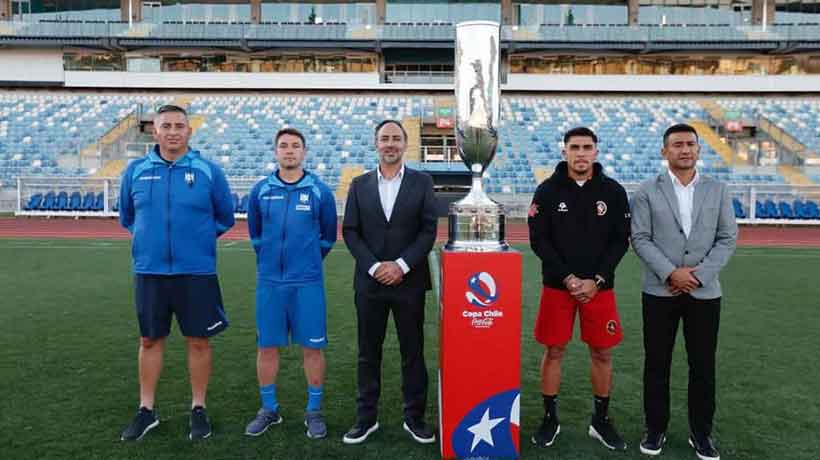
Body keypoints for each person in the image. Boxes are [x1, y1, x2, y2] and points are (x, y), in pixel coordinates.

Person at [118, 104, 235, 441]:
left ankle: (198, 408)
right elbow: (129, 217)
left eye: (179, 126)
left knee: (198, 341)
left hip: (196, 271)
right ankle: (146, 410)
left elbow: (224, 216)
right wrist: (151, 243)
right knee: (149, 339)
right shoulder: (136, 171)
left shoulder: (208, 171)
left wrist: (194, 241)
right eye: (166, 125)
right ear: (155, 130)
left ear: (189, 131)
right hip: (150, 271)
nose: (172, 131)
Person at [631, 123, 737, 460]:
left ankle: (701, 434)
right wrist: (670, 273)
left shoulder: (718, 190)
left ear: (699, 149)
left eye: (690, 144)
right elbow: (641, 238)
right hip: (660, 292)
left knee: (703, 366)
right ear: (665, 152)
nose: (685, 149)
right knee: (657, 364)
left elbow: (727, 238)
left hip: (705, 293)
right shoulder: (647, 191)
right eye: (677, 144)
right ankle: (655, 429)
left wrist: (699, 275)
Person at [527, 126, 631, 451]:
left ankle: (600, 421)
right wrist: (570, 279)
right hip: (558, 288)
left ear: (596, 152)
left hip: (600, 288)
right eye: (575, 147)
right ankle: (549, 418)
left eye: (587, 147)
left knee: (602, 352)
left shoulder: (613, 192)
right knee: (554, 350)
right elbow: (538, 240)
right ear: (565, 152)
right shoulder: (546, 191)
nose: (581, 153)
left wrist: (596, 279)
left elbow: (619, 241)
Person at [341, 119, 438, 445]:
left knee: (413, 353)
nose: (390, 144)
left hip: (409, 283)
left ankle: (415, 418)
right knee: (368, 353)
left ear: (405, 143)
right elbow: (350, 232)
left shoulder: (423, 182)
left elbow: (428, 231)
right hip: (369, 285)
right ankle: (366, 418)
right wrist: (373, 267)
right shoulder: (359, 184)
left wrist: (400, 265)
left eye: (396, 138)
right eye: (385, 139)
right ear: (376, 144)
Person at [243, 128, 337, 439]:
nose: (289, 151)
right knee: (267, 346)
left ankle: (314, 411)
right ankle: (269, 409)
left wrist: (307, 262)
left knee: (312, 348)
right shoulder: (260, 191)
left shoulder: (319, 191)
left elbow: (327, 237)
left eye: (295, 146)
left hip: (307, 282)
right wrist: (271, 261)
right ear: (275, 152)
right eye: (283, 146)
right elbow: (256, 234)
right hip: (270, 282)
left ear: (304, 152)